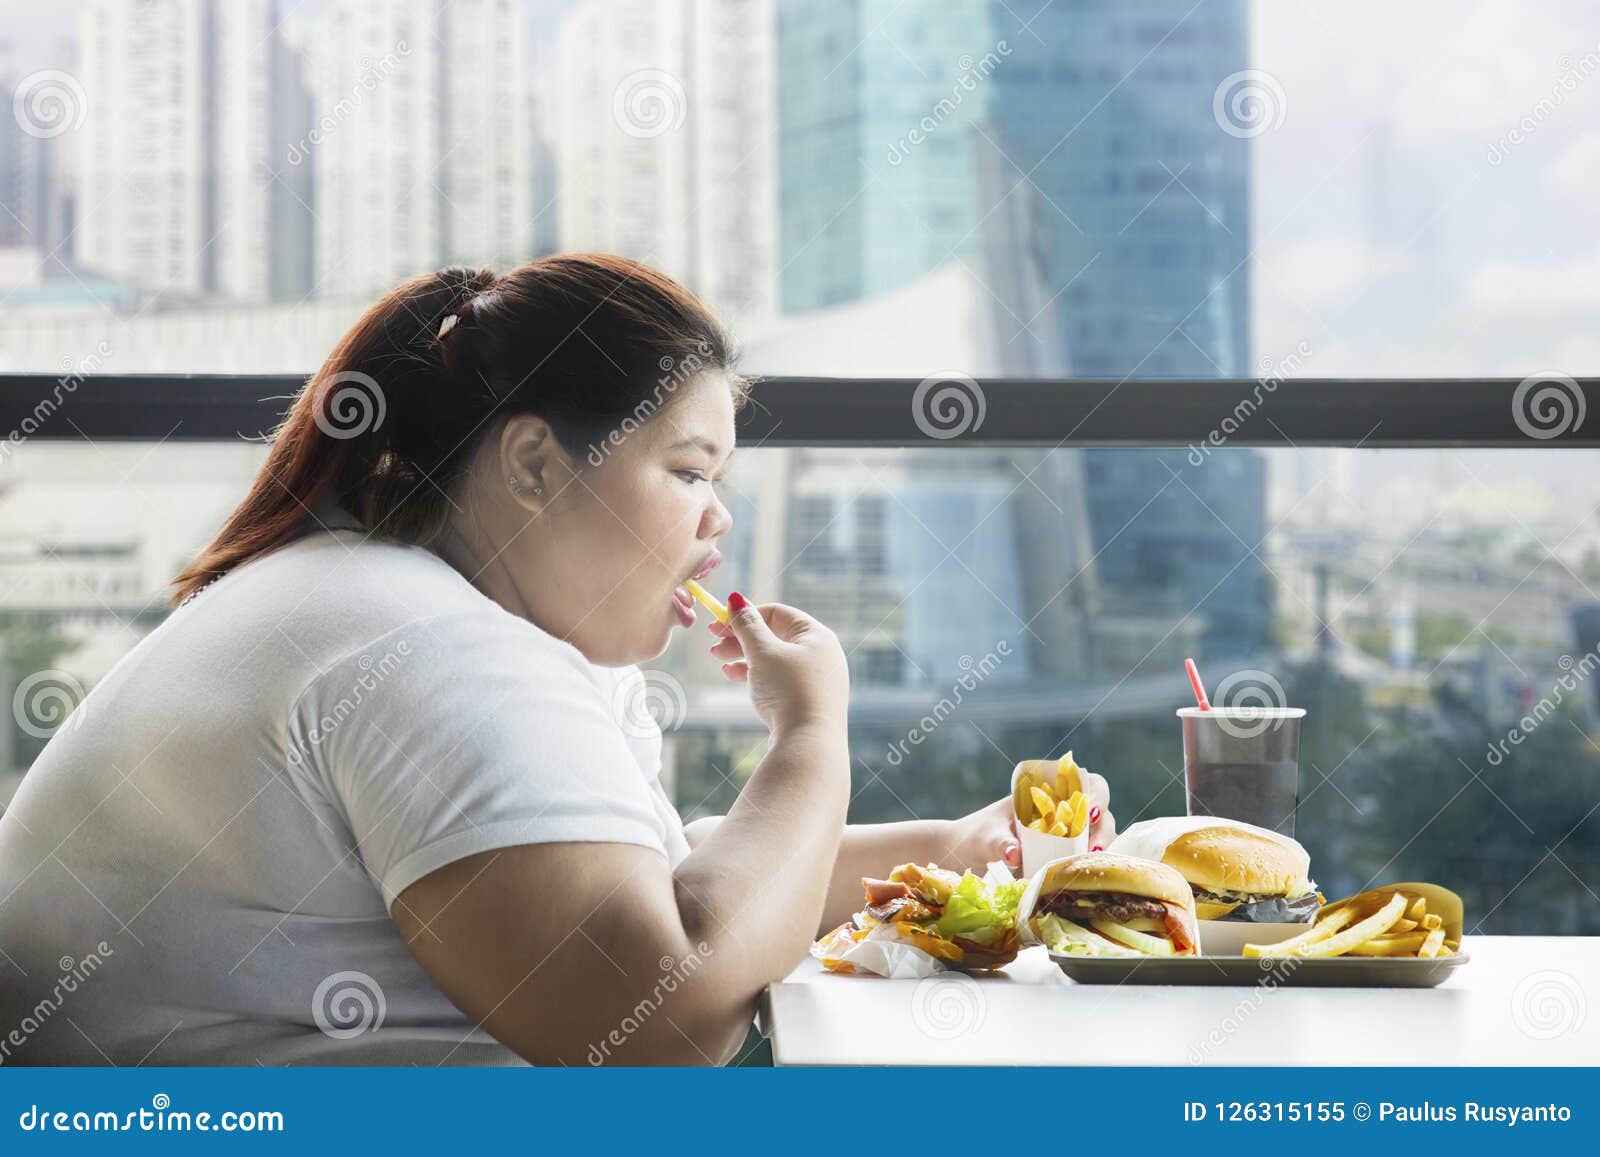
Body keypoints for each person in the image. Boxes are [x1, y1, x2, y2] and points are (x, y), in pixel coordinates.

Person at [0, 255, 1114, 1066]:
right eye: (686, 471)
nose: (717, 519)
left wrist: (949, 847)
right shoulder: (430, 653)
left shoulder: (403, 601)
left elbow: (649, 877)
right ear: (532, 460)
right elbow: (659, 1021)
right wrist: (812, 739)